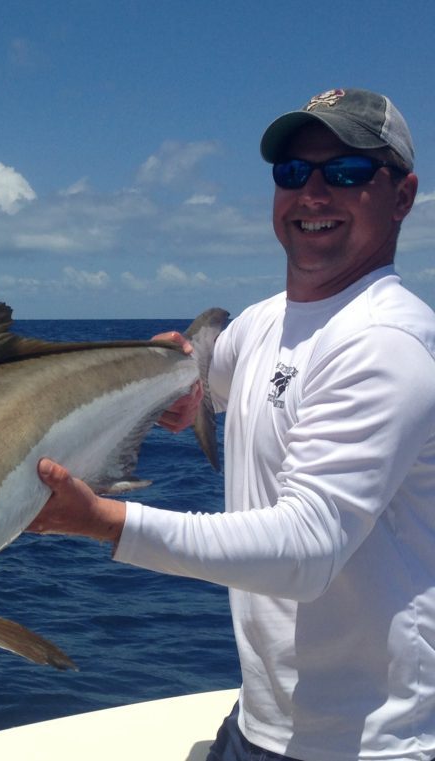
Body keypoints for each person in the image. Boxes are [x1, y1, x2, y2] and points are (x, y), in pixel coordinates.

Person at [31, 87, 435, 761]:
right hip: (261, 720)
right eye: (292, 172)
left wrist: (104, 520)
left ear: (402, 195)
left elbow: (307, 547)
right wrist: (182, 396)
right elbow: (210, 382)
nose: (313, 192)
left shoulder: (386, 343)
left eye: (346, 171)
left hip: (367, 742)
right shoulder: (265, 321)